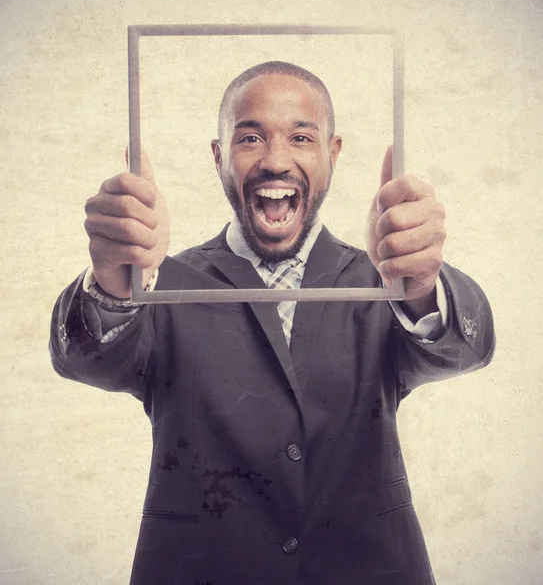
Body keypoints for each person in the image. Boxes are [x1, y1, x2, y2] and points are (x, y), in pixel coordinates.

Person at [49, 61, 495, 585]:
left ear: (333, 155)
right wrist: (113, 280)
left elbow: (468, 348)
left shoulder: (381, 279)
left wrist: (420, 284)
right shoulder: (163, 283)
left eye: (301, 137)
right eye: (251, 138)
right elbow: (85, 357)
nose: (275, 160)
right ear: (219, 158)